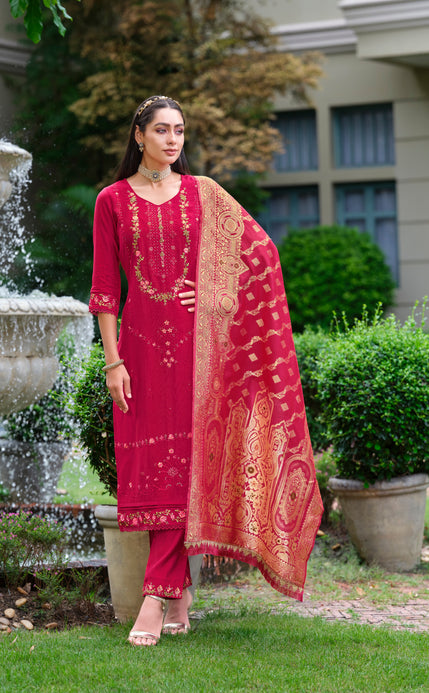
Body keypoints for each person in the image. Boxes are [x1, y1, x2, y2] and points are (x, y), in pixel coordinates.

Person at [89, 95, 323, 647]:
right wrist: (113, 361)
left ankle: (156, 593)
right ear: (138, 136)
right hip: (141, 351)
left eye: (180, 131)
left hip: (201, 353)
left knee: (185, 468)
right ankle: (181, 592)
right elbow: (104, 291)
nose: (173, 141)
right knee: (153, 466)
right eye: (162, 131)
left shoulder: (204, 195)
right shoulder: (112, 201)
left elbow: (261, 255)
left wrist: (216, 294)